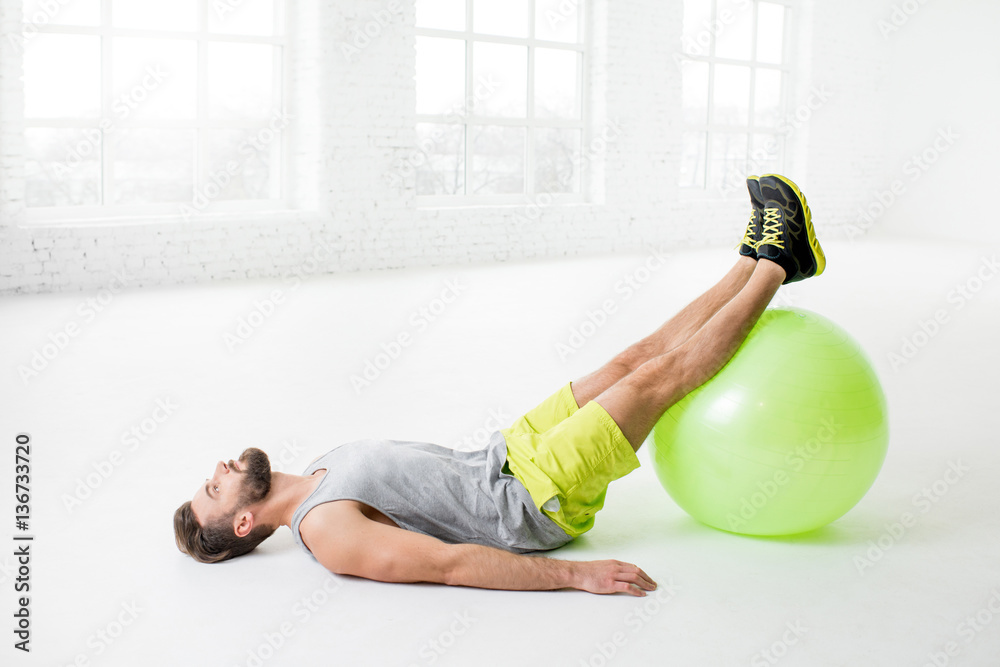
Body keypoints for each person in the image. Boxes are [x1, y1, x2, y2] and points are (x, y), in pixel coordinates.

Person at [174, 174, 825, 598]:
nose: (220, 468)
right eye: (214, 487)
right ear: (241, 518)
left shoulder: (317, 469)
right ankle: (778, 262)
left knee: (635, 357)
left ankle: (745, 260)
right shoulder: (328, 532)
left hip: (510, 453)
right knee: (662, 378)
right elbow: (446, 564)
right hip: (531, 502)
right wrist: (576, 575)